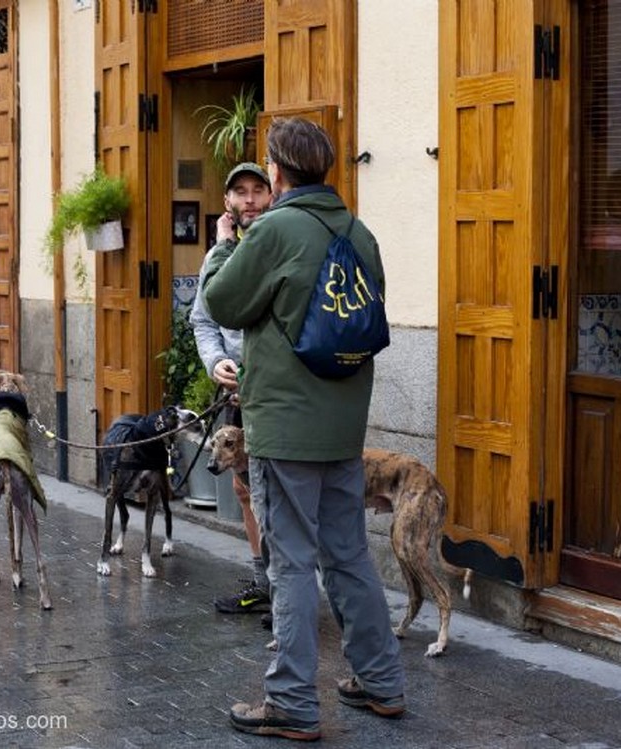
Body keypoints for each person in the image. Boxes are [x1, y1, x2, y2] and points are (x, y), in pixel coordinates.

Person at [202, 118, 405, 741]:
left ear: (277, 172)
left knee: (289, 562)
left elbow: (222, 303)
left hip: (285, 427)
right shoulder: (359, 232)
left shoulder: (274, 229)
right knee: (348, 556)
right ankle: (381, 682)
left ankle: (290, 700)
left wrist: (227, 244)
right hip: (343, 427)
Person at [189, 162, 273, 618]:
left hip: (272, 396)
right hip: (233, 393)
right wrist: (215, 361)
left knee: (276, 489)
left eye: (257, 190)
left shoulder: (278, 245)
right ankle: (263, 582)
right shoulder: (216, 255)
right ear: (227, 203)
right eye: (240, 192)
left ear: (271, 195)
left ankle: (287, 588)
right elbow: (203, 321)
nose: (249, 200)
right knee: (244, 489)